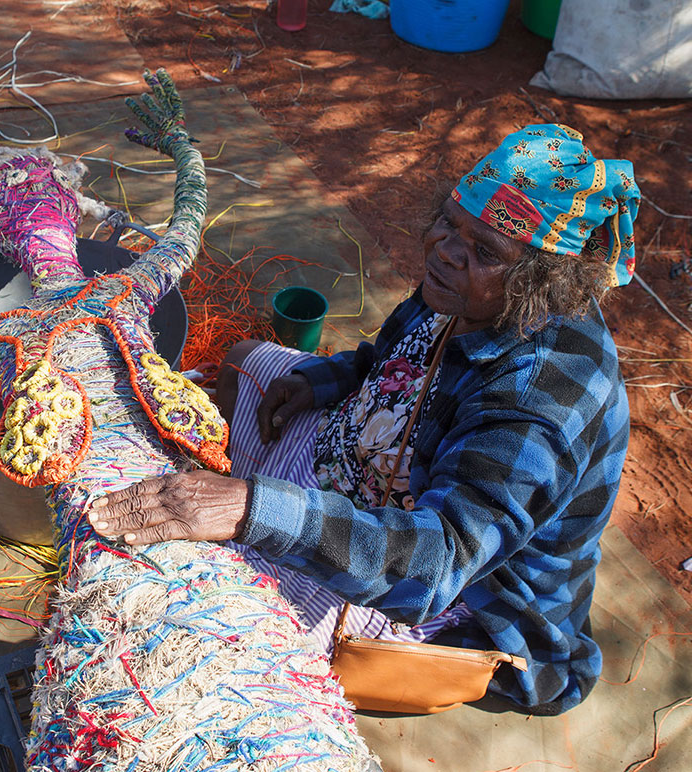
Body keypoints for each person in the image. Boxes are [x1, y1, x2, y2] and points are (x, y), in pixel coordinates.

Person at [88, 124, 640, 715]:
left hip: (453, 587)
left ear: (542, 284)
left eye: (484, 251)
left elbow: (440, 563)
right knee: (247, 363)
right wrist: (320, 381)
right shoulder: (461, 292)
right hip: (375, 466)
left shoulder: (540, 402)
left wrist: (250, 509)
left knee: (228, 640)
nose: (445, 251)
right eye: (449, 223)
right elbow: (387, 357)